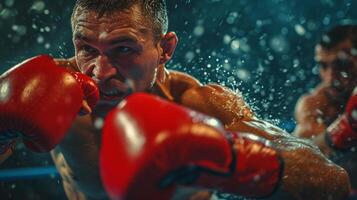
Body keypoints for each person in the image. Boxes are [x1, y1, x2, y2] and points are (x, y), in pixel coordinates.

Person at [0, 0, 351, 199]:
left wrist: (230, 160)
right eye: (86, 49)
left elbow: (331, 182)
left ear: (165, 49)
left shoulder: (200, 102)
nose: (99, 72)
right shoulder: (44, 87)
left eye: (123, 49)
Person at [293, 24, 357, 195]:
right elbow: (303, 157)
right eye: (323, 66)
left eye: (341, 64)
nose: (330, 77)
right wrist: (345, 128)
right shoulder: (314, 104)